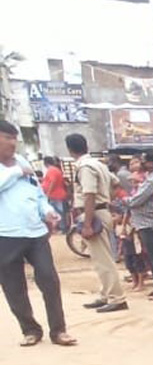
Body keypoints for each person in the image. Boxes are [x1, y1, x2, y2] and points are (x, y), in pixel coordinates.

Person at [0, 120, 76, 347]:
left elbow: (38, 194)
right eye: (7, 137)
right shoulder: (16, 168)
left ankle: (58, 330)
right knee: (14, 286)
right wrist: (15, 172)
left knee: (49, 279)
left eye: (14, 138)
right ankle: (30, 329)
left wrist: (48, 210)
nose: (12, 143)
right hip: (6, 235)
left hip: (35, 233)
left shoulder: (22, 162)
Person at [66, 133, 128, 313]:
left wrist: (87, 222)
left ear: (70, 149)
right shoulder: (98, 164)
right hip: (101, 210)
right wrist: (107, 200)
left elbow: (89, 194)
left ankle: (117, 297)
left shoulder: (85, 167)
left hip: (93, 213)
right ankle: (106, 294)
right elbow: (116, 185)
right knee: (99, 257)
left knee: (103, 260)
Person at [127, 150, 153, 299]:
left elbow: (135, 200)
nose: (141, 163)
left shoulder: (152, 180)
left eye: (144, 160)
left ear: (151, 163)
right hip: (150, 221)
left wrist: (123, 201)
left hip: (149, 223)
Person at [39, 156, 69, 232]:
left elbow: (53, 181)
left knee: (59, 212)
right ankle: (61, 227)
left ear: (45, 163)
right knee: (58, 212)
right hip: (56, 195)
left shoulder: (51, 170)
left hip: (56, 195)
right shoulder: (55, 170)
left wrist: (48, 193)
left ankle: (62, 228)